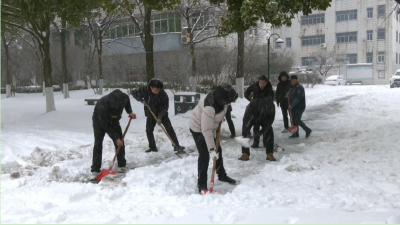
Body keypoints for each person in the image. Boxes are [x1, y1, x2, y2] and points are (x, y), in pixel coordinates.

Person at [189, 84, 238, 193]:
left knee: (218, 150)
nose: (229, 104)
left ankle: (222, 175)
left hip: (211, 127)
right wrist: (211, 150)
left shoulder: (223, 100)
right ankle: (202, 185)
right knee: (205, 155)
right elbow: (206, 130)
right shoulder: (209, 107)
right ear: (222, 100)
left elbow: (224, 111)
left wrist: (220, 117)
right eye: (228, 102)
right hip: (198, 128)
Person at [91, 89, 137, 178]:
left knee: (121, 143)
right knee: (98, 143)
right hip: (99, 122)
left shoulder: (124, 98)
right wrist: (116, 138)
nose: (117, 108)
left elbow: (127, 102)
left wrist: (130, 112)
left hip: (114, 121)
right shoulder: (102, 105)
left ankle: (122, 165)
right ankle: (95, 169)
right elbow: (105, 125)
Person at [131, 78, 185, 153]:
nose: (157, 92)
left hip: (162, 114)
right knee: (148, 130)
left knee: (169, 128)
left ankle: (176, 145)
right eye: (156, 90)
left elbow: (164, 107)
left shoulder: (163, 94)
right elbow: (133, 92)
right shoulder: (145, 90)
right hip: (150, 114)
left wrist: (160, 118)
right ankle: (152, 147)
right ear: (151, 87)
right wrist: (142, 100)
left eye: (159, 90)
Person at [238, 97, 276, 161]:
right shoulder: (251, 107)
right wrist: (247, 132)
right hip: (252, 115)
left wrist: (261, 131)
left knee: (269, 131)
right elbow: (246, 122)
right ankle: (245, 153)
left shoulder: (271, 107)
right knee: (245, 131)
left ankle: (270, 153)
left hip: (264, 118)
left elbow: (269, 122)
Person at [244, 75, 274, 148]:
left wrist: (265, 106)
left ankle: (266, 142)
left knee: (266, 127)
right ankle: (256, 142)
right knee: (256, 125)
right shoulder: (255, 86)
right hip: (255, 110)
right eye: (260, 82)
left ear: (266, 83)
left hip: (265, 111)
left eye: (263, 83)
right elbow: (246, 92)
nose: (261, 85)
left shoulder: (269, 89)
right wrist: (251, 100)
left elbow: (270, 101)